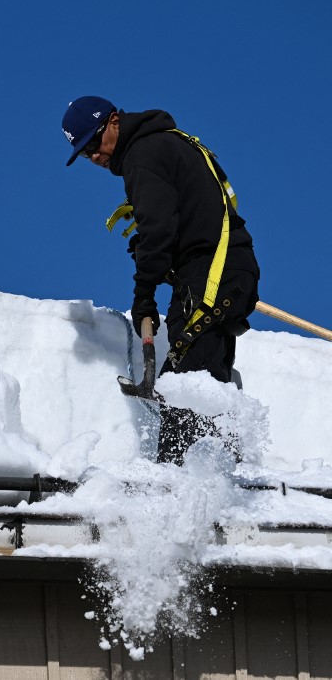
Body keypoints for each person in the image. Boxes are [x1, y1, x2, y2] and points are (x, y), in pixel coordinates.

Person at [61, 96, 260, 464]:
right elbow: (192, 219)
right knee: (204, 385)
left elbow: (158, 232)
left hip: (213, 275)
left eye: (93, 142)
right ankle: (217, 479)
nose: (93, 156)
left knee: (183, 386)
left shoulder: (143, 153)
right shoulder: (169, 143)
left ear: (114, 122)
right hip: (222, 272)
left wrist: (144, 298)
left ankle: (177, 486)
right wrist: (170, 260)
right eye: (83, 152)